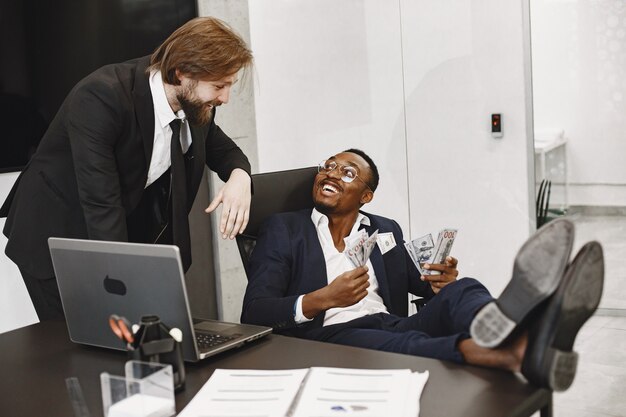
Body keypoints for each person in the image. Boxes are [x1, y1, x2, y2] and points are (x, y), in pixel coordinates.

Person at [241, 149, 605, 391]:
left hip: (389, 321)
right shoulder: (283, 228)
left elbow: (417, 283)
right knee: (411, 346)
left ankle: (515, 335)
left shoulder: (384, 228)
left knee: (462, 289)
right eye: (328, 166)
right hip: (331, 337)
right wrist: (321, 299)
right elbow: (254, 311)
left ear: (366, 196)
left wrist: (437, 281)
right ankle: (528, 341)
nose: (331, 174)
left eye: (347, 172)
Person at [1, 17, 254, 321]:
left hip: (114, 225)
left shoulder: (196, 105)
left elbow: (226, 152)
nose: (224, 98)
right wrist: (124, 289)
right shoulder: (100, 97)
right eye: (219, 86)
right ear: (181, 73)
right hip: (56, 231)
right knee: (79, 343)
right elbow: (101, 205)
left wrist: (240, 177)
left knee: (133, 337)